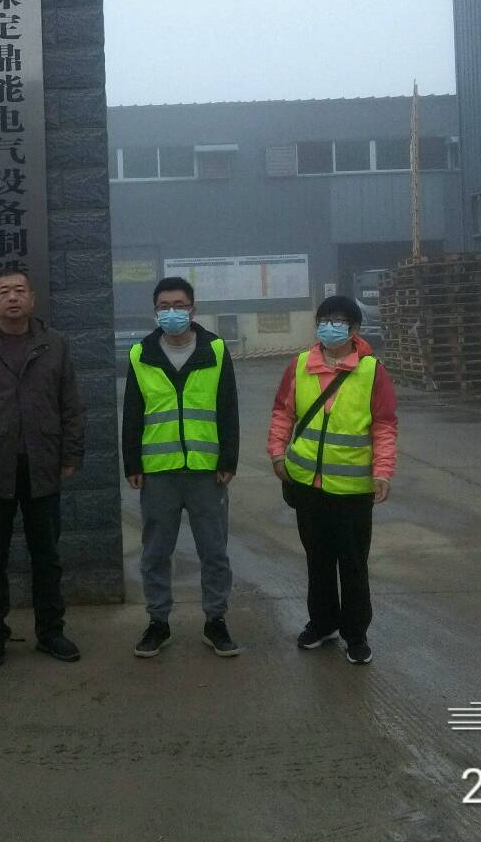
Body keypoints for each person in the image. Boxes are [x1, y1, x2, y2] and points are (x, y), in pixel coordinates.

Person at [0, 270, 85, 668]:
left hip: (43, 468)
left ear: (32, 299)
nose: (13, 297)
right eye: (4, 291)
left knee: (47, 556)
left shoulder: (54, 344)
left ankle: (51, 632)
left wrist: (70, 456)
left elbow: (71, 406)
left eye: (20, 290)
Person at [268, 295, 396, 665]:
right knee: (318, 560)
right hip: (307, 485)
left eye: (338, 321)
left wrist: (383, 471)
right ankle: (322, 624)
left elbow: (384, 424)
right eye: (324, 320)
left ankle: (356, 635)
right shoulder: (299, 366)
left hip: (352, 490)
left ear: (354, 329)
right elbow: (283, 412)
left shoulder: (371, 371)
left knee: (353, 565)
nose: (329, 327)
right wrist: (277, 452)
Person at [122, 276, 241, 658]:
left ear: (193, 309)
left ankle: (215, 621)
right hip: (159, 472)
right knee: (156, 553)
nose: (172, 312)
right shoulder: (141, 354)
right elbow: (132, 413)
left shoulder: (216, 350)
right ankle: (158, 622)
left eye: (179, 305)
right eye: (164, 306)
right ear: (155, 311)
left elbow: (228, 408)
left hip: (207, 471)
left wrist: (228, 459)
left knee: (214, 552)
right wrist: (132, 463)